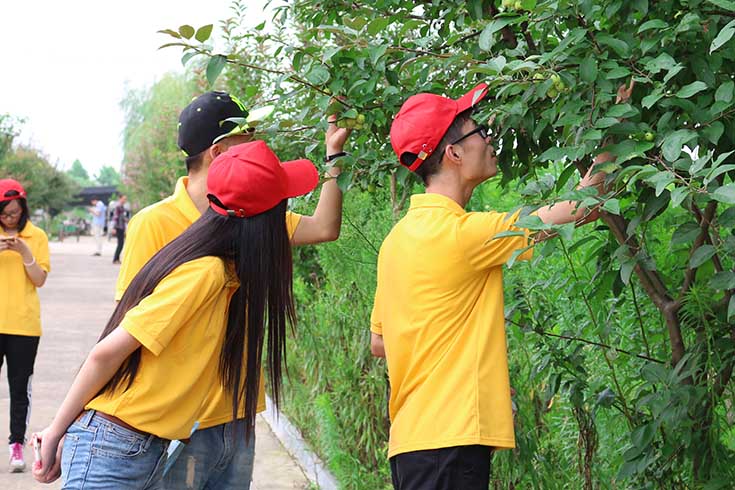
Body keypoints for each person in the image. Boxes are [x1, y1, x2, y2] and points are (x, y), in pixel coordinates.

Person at [32, 140, 319, 488]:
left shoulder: (224, 274)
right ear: (262, 222)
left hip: (141, 448)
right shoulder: (205, 273)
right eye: (281, 207)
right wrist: (57, 430)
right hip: (113, 447)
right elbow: (106, 352)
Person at [369, 83, 613, 489]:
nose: (488, 139)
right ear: (454, 153)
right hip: (450, 442)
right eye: (478, 131)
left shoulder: (395, 242)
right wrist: (617, 120)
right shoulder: (462, 234)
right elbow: (587, 203)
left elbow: (380, 343)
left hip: (412, 443)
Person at [113, 91, 349, 489]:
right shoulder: (153, 224)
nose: (259, 143)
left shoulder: (253, 212)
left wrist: (334, 157)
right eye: (248, 135)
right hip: (177, 420)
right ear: (219, 152)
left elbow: (325, 227)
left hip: (237, 413)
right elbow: (126, 328)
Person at [0, 179, 50, 473]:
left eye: (14, 213)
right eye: (4, 214)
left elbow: (39, 280)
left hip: (24, 325)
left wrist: (24, 252)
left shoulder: (37, 236)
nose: (9, 218)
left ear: (23, 209)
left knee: (19, 389)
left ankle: (16, 443)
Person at [111, 195, 128, 264]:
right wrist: (114, 228)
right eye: (123, 199)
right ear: (120, 199)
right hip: (118, 227)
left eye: (125, 199)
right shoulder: (118, 207)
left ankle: (117, 259)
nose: (124, 200)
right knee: (120, 244)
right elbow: (115, 217)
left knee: (121, 244)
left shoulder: (122, 207)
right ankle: (115, 259)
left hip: (122, 227)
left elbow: (122, 217)